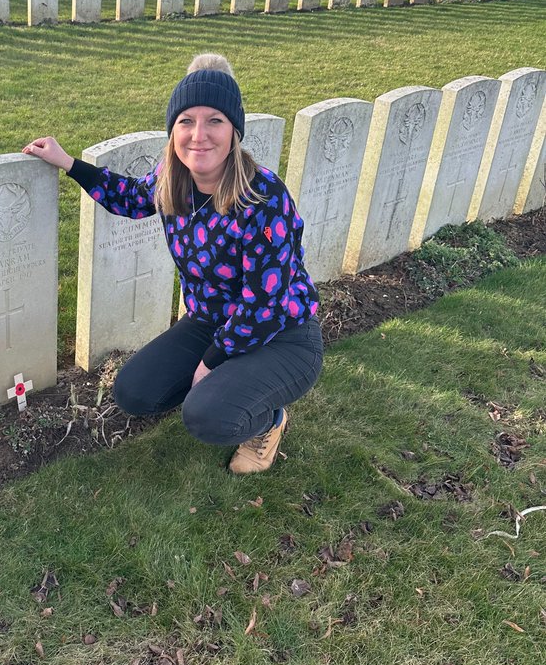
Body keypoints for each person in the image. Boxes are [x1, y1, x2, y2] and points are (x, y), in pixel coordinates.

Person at [22, 60, 323, 474]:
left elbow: (264, 304)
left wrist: (210, 362)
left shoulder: (262, 197)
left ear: (234, 131)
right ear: (173, 131)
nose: (199, 135)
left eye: (214, 121)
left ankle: (267, 421)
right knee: (135, 392)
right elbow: (128, 197)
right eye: (186, 121)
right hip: (211, 321)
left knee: (206, 416)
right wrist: (70, 163)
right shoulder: (172, 179)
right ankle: (227, 388)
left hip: (283, 334)